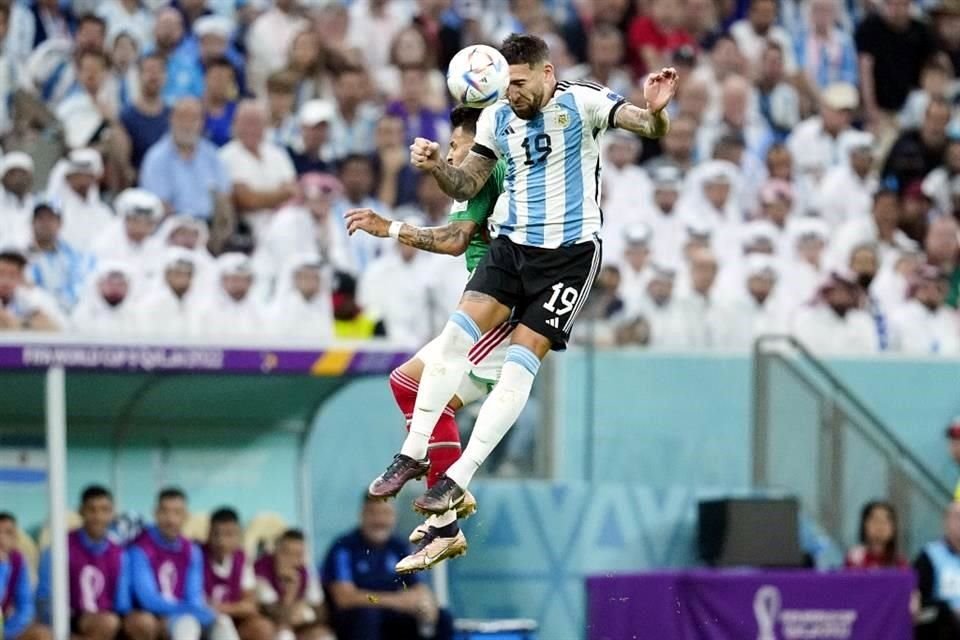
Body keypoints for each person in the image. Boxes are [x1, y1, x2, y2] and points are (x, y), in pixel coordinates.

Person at [366, 37, 677, 566]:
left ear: (546, 72)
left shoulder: (584, 102)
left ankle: (455, 483)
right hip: (511, 246)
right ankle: (413, 453)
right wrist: (437, 165)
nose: (511, 93)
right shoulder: (494, 120)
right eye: (502, 84)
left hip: (570, 257)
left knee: (517, 371)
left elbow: (647, 128)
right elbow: (468, 181)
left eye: (518, 83)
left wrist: (655, 113)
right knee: (452, 339)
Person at [345, 106, 509, 563]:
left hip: (502, 314)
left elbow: (456, 240)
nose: (454, 153)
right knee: (407, 384)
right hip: (485, 306)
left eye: (458, 145)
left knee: (426, 396)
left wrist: (391, 227)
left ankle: (447, 514)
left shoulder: (487, 174)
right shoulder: (477, 183)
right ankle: (448, 494)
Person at [321, 497, 452, 640]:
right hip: (356, 619)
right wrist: (395, 601)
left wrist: (427, 603)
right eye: (373, 513)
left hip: (392, 615)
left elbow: (419, 587)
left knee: (441, 617)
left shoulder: (399, 547)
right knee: (368, 615)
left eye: (385, 513)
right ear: (362, 515)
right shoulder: (344, 548)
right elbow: (345, 598)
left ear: (394, 516)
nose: (380, 520)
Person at [36, 485, 150, 640]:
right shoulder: (60, 548)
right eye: (92, 510)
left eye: (104, 510)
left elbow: (122, 601)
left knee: (143, 622)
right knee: (106, 622)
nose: (98, 517)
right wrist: (63, 631)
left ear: (112, 514)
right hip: (73, 617)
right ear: (81, 511)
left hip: (111, 618)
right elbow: (44, 598)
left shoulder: (119, 552)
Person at [128, 488, 216, 640]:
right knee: (187, 624)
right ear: (155, 513)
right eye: (165, 512)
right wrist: (191, 611)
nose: (171, 520)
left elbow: (193, 596)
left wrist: (195, 611)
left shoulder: (192, 551)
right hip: (151, 615)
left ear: (186, 516)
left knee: (222, 622)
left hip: (182, 614)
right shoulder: (140, 548)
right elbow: (148, 600)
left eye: (177, 513)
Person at [140, 97, 233, 227]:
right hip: (172, 229)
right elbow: (158, 206)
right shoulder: (156, 158)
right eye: (182, 118)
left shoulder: (212, 155)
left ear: (202, 123)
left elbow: (224, 197)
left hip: (211, 229)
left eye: (193, 118)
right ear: (171, 119)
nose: (187, 124)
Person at [219, 100, 298, 245]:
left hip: (286, 222)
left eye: (257, 123)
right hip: (250, 232)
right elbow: (246, 200)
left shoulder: (278, 153)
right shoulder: (226, 156)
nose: (252, 128)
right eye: (247, 122)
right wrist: (280, 194)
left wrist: (261, 197)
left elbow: (294, 191)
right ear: (235, 124)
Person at [202, 508, 273, 640]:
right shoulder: (197, 556)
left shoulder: (242, 559)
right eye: (216, 534)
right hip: (204, 620)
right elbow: (198, 602)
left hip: (234, 618)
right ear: (208, 535)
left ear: (238, 536)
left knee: (262, 627)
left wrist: (221, 608)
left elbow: (249, 605)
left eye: (228, 534)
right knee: (223, 624)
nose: (221, 541)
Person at [254, 529, 331, 640]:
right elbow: (273, 616)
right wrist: (291, 593)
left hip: (298, 627)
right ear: (276, 551)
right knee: (284, 635)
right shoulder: (261, 572)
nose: (292, 559)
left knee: (323, 636)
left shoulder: (306, 571)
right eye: (286, 553)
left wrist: (305, 609)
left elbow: (321, 613)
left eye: (298, 555)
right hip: (271, 628)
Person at [24, 201, 95, 312]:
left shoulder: (73, 256)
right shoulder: (20, 255)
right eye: (41, 218)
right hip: (35, 314)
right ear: (32, 222)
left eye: (51, 219)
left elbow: (79, 286)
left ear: (60, 223)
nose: (45, 223)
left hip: (69, 313)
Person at [0, 512, 51, 640]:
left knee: (42, 634)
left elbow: (26, 606)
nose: (1, 538)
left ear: (15, 537)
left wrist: (8, 632)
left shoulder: (17, 559)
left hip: (5, 628)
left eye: (8, 533)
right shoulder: (6, 563)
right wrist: (3, 568)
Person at [914, 501, 960, 639]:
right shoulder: (929, 555)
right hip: (943, 626)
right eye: (958, 517)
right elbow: (918, 602)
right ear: (946, 521)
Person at [890, 265, 960, 355]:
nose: (933, 292)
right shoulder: (899, 316)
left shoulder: (949, 317)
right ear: (916, 288)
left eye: (939, 288)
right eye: (926, 287)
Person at [120, 53, 171, 172]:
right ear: (139, 76)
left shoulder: (172, 115)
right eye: (149, 70)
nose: (154, 76)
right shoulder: (127, 117)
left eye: (158, 71)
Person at [193, 253, 264, 339]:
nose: (240, 285)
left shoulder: (260, 312)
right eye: (235, 280)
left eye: (245, 280)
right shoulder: (204, 312)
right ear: (221, 281)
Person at [0, 249, 63, 331]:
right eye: (1, 274)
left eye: (12, 275)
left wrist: (21, 324)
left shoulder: (26, 297)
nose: (5, 281)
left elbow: (54, 326)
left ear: (21, 278)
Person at [71, 261, 137, 336]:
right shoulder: (82, 316)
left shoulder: (138, 318)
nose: (115, 288)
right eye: (110, 283)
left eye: (121, 284)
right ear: (98, 285)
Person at [845, 500, 908, 569]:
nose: (880, 525)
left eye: (886, 521)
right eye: (875, 519)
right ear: (864, 525)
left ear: (893, 528)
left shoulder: (900, 563)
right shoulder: (854, 559)